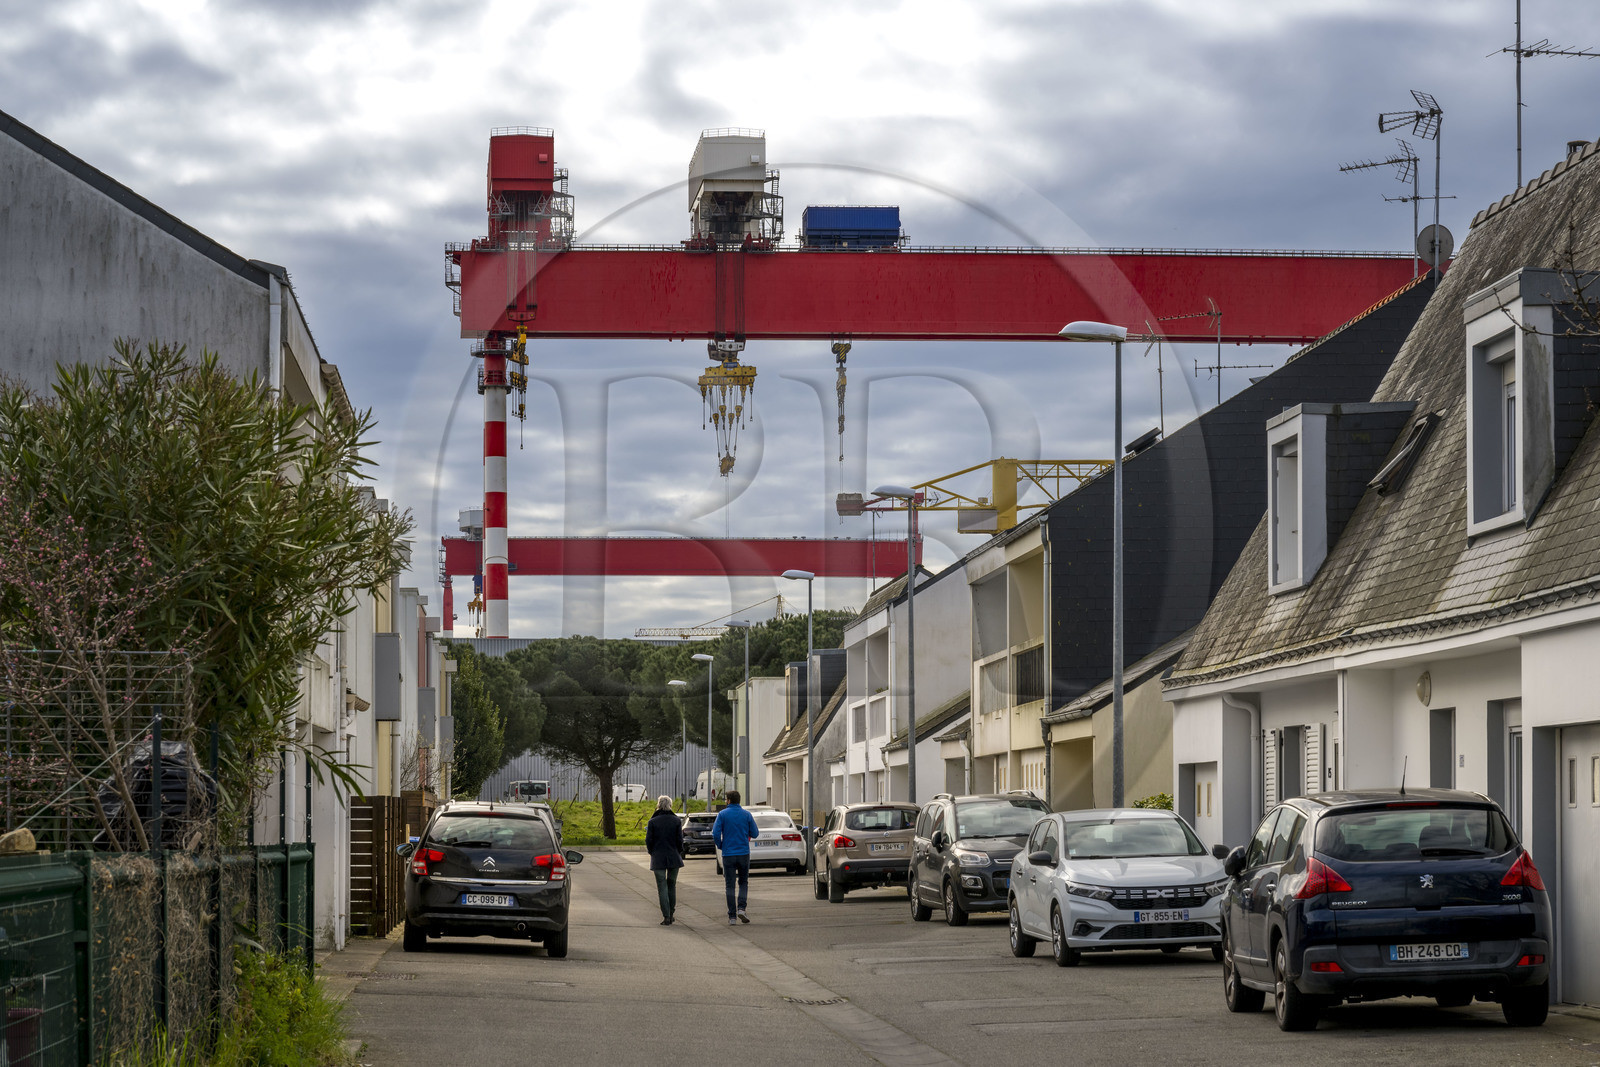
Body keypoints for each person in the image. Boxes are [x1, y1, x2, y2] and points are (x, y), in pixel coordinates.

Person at [711, 790, 760, 925]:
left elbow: (715, 833)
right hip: (744, 853)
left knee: (730, 885)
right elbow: (755, 833)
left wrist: (721, 845)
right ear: (739, 800)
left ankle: (732, 917)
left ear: (728, 800)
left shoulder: (722, 814)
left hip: (728, 854)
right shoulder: (746, 815)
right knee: (743, 882)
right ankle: (742, 909)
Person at [644, 795, 685, 925]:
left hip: (658, 857)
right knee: (671, 885)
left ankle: (666, 916)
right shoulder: (676, 820)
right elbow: (680, 840)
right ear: (670, 805)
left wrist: (652, 852)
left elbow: (648, 840)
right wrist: (678, 852)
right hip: (674, 857)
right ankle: (672, 912)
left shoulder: (653, 822)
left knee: (662, 886)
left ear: (658, 805)